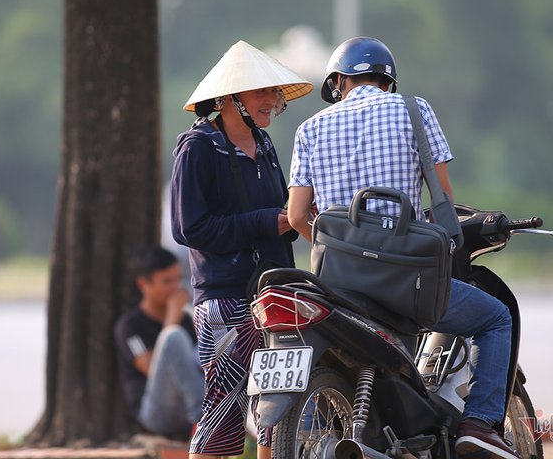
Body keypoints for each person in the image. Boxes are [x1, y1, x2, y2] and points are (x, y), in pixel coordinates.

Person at [287, 36, 518, 459]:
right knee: (495, 318)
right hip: (405, 283)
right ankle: (479, 425)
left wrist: (342, 248)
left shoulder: (309, 129)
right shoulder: (413, 110)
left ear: (338, 82)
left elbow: (299, 215)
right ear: (387, 82)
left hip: (338, 286)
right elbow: (443, 196)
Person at [170, 40, 312, 459]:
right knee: (221, 414)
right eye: (261, 92)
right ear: (230, 99)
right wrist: (269, 221)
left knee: (277, 412)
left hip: (276, 293)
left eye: (274, 91)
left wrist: (295, 217)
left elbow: (285, 210)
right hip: (226, 299)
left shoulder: (264, 144)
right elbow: (188, 228)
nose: (272, 100)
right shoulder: (197, 147)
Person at [114, 245, 205, 438]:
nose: (175, 287)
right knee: (173, 337)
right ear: (143, 284)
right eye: (167, 281)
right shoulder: (129, 326)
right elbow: (151, 368)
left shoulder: (186, 320)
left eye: (178, 279)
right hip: (155, 413)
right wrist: (172, 319)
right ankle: (205, 418)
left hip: (184, 406)